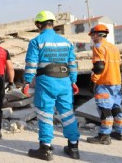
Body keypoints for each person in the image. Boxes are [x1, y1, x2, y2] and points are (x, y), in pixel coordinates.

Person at [23, 11, 80, 161]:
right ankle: (73, 148)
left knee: (45, 114)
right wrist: (73, 81)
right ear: (53, 23)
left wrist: (27, 82)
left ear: (39, 24)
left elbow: (31, 64)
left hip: (46, 82)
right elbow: (72, 64)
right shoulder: (66, 42)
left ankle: (45, 149)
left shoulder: (36, 41)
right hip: (65, 82)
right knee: (67, 114)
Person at [87, 24, 122, 144]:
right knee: (116, 107)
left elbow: (99, 67)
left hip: (104, 82)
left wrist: (93, 80)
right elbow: (120, 67)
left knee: (104, 108)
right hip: (116, 82)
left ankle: (104, 135)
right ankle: (120, 132)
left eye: (93, 35)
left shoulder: (98, 47)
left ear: (98, 34)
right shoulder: (114, 48)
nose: (92, 38)